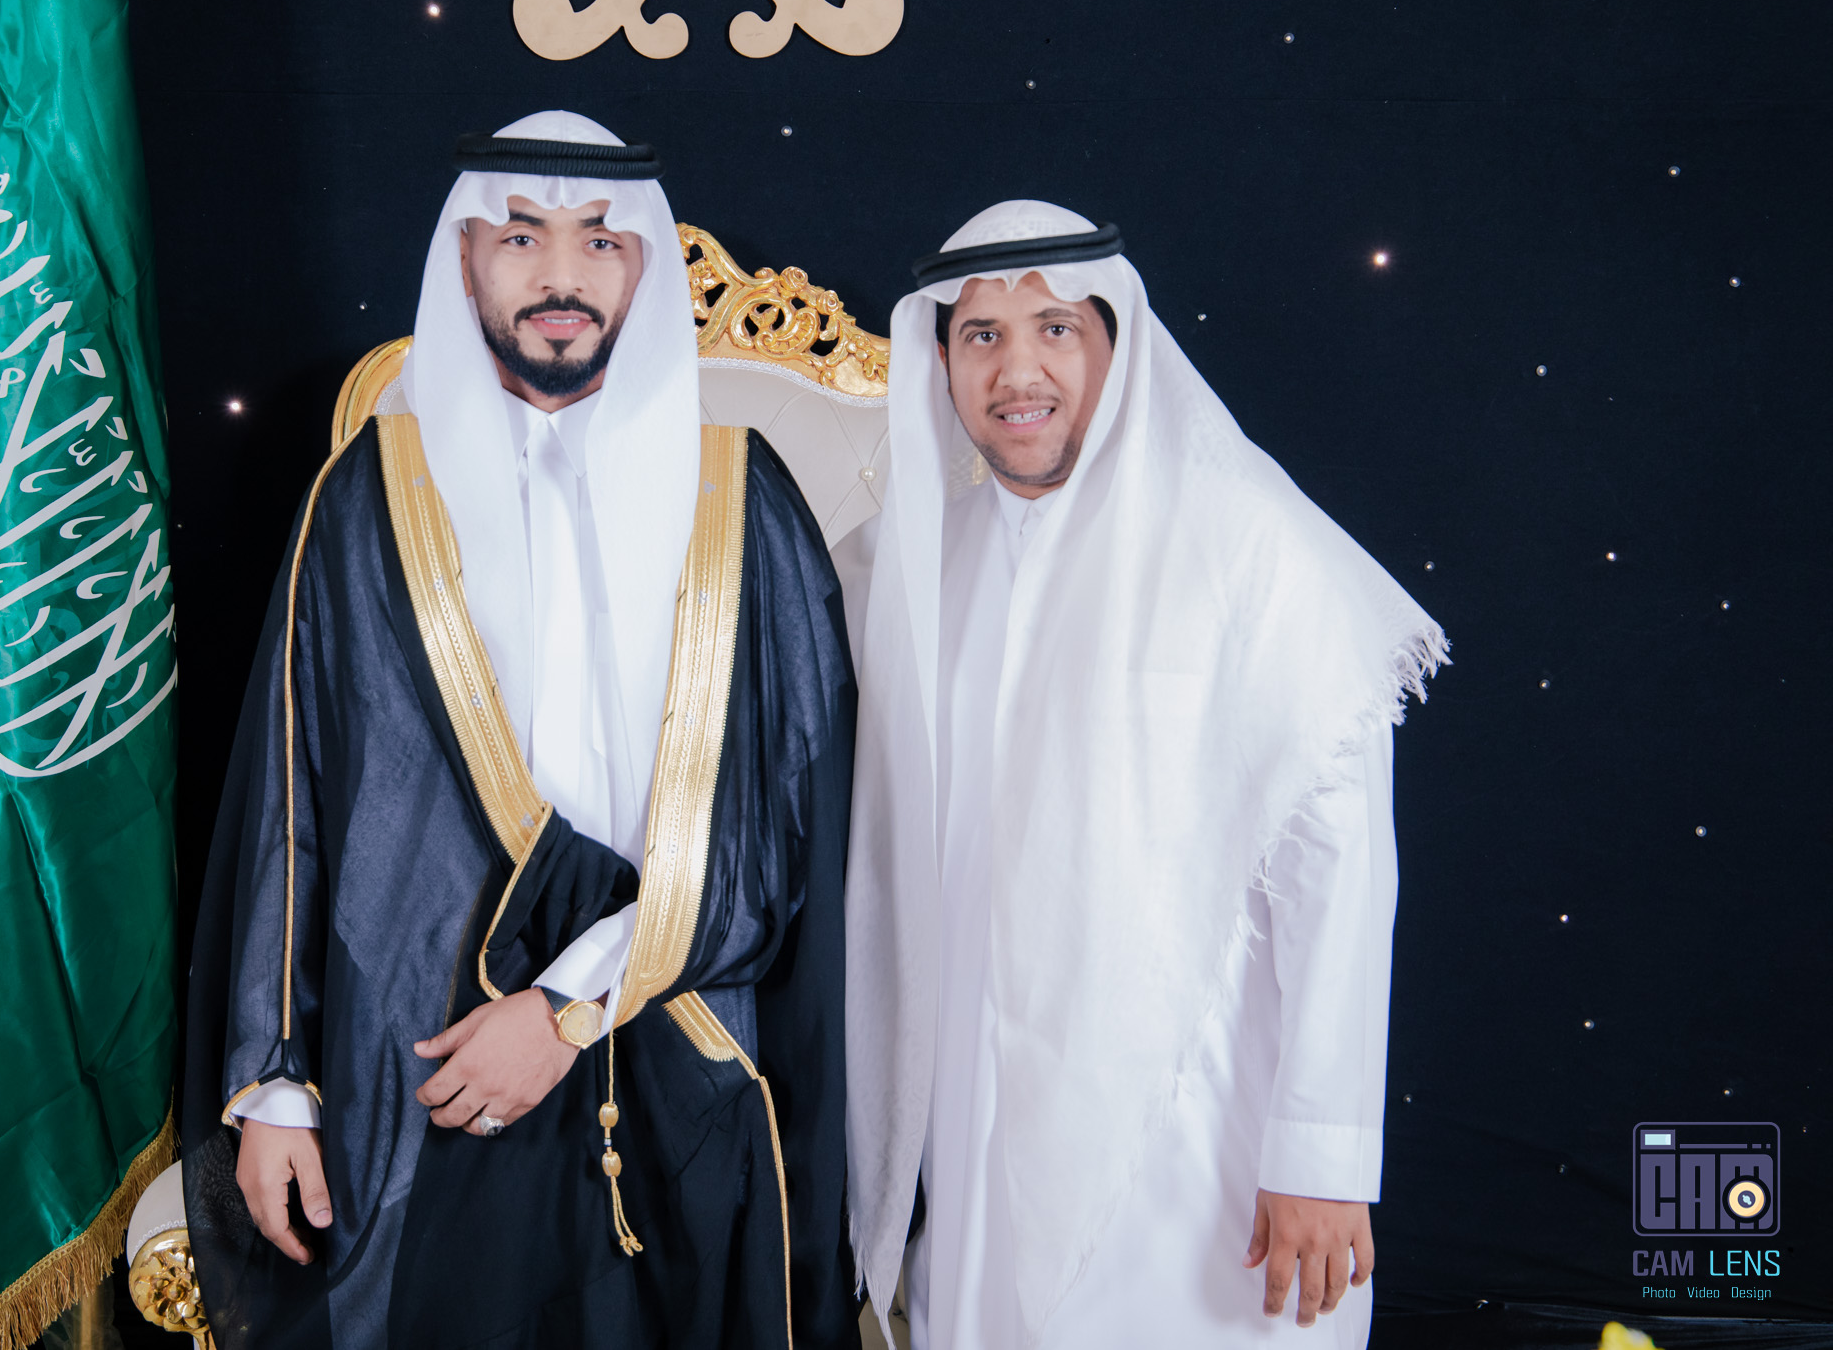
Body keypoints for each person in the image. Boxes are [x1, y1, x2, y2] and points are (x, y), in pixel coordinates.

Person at [181, 110, 859, 1350]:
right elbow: (293, 797)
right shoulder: (367, 494)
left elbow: (787, 820)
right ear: (464, 260)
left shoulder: (738, 497)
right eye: (521, 237)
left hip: (680, 1035)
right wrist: (274, 1080)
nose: (561, 275)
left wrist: (562, 1008)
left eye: (599, 240)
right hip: (421, 1061)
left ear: (642, 268)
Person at [841, 201, 1447, 1348]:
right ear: (940, 359)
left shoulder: (1247, 544)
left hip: (1193, 1124)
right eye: (980, 336)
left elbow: (1337, 874)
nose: (1017, 372)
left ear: (1116, 348)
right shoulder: (904, 568)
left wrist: (1319, 1153)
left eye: (1055, 329)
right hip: (975, 1116)